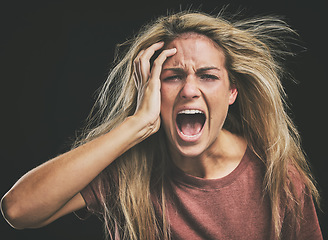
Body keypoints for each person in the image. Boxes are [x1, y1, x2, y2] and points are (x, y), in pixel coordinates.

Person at [0, 10, 323, 240]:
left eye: (208, 76)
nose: (189, 90)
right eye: (173, 77)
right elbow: (19, 211)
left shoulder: (276, 174)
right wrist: (135, 124)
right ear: (152, 91)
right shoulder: (127, 168)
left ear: (232, 92)